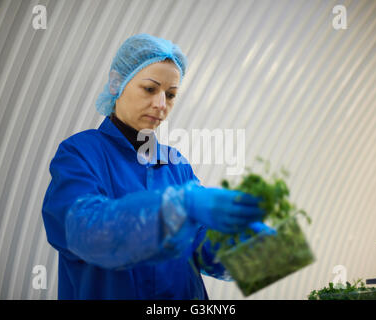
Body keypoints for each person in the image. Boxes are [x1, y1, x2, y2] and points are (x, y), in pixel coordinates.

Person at [42, 33, 275, 300]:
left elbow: (199, 245)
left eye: (171, 94)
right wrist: (175, 209)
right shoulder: (80, 153)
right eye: (150, 89)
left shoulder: (175, 164)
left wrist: (241, 246)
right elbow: (84, 231)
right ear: (117, 84)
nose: (161, 104)